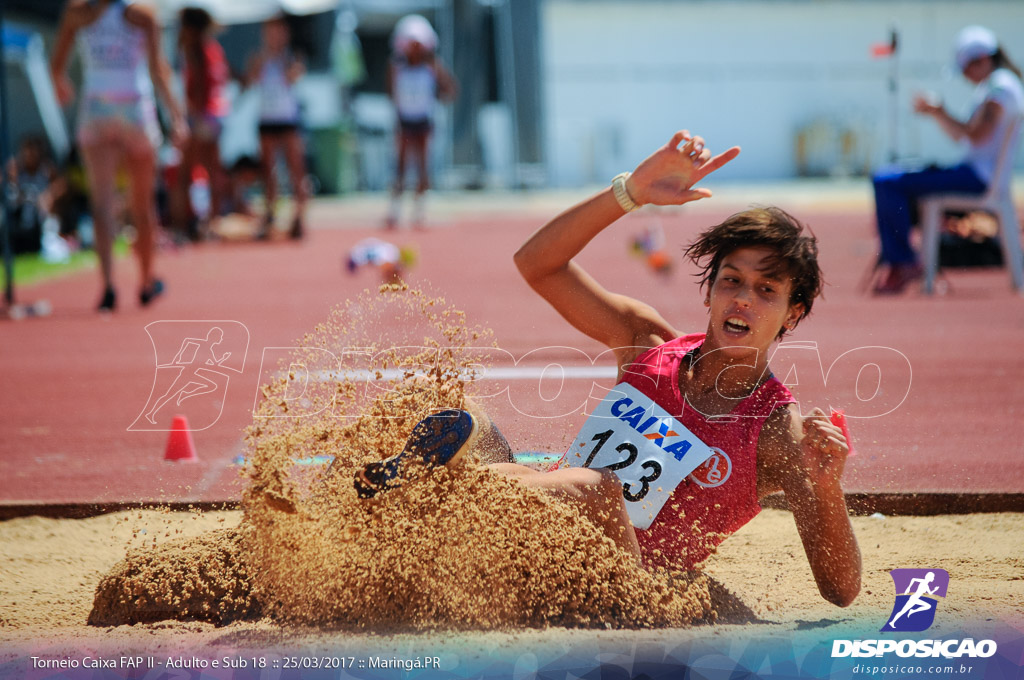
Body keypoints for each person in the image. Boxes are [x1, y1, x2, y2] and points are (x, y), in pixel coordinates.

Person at [354, 131, 862, 607]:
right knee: (453, 410)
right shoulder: (647, 343)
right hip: (535, 526)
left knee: (598, 489)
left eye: (766, 291)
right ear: (709, 290)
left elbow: (840, 589)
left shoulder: (778, 433)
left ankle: (424, 501)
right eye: (731, 280)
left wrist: (824, 487)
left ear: (793, 313)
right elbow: (537, 264)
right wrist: (630, 192)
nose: (743, 300)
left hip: (619, 586)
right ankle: (333, 533)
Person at [50, 0, 186, 311]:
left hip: (96, 105)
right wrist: (177, 116)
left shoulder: (77, 13)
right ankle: (147, 280)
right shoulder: (142, 14)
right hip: (134, 105)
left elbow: (56, 68)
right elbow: (158, 68)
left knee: (102, 202)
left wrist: (63, 87)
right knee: (143, 203)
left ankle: (108, 285)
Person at [871, 25, 1024, 294]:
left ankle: (904, 261)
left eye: (966, 69)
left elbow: (976, 135)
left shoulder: (1001, 88)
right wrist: (937, 113)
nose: (965, 77)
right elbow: (964, 137)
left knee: (888, 180)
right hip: (975, 174)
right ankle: (905, 258)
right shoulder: (997, 86)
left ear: (982, 60)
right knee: (893, 179)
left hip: (977, 178)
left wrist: (940, 110)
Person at [384, 14, 457, 230]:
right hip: (404, 120)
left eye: (418, 44)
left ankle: (420, 208)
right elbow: (390, 91)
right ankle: (394, 208)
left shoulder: (432, 67)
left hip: (424, 121)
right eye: (411, 44)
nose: (414, 49)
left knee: (423, 167)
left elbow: (450, 90)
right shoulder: (397, 66)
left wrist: (437, 76)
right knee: (401, 165)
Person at [245, 14, 308, 240]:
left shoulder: (291, 57)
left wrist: (281, 59)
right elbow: (250, 80)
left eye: (279, 31)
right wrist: (263, 59)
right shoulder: (259, 58)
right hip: (267, 119)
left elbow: (294, 76)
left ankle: (299, 217)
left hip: (288, 119)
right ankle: (270, 215)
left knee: (296, 170)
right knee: (268, 172)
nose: (275, 36)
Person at [173, 6, 230, 242]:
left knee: (184, 175)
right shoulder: (213, 48)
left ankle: (184, 226)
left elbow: (197, 88)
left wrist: (187, 120)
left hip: (200, 117)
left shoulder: (194, 49)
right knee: (212, 172)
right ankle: (211, 223)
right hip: (216, 116)